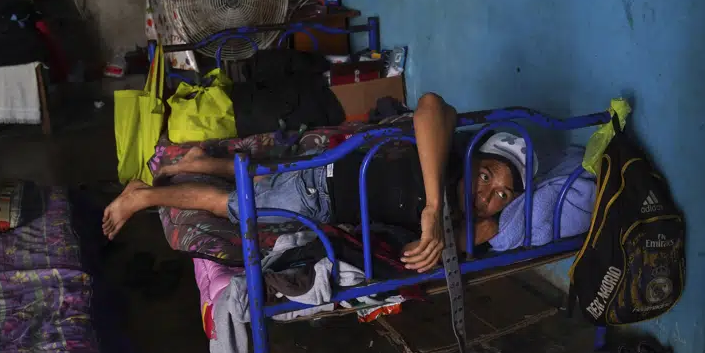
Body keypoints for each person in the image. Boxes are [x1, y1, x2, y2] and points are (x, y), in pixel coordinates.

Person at [101, 93, 537, 273]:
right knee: (230, 206)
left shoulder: (463, 216)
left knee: (262, 179)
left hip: (325, 173)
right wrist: (433, 208)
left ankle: (196, 161)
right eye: (486, 176)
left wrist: (460, 235)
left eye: (503, 195)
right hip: (319, 192)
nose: (488, 195)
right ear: (471, 157)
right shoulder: (441, 159)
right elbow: (430, 105)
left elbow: (409, 255)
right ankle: (143, 196)